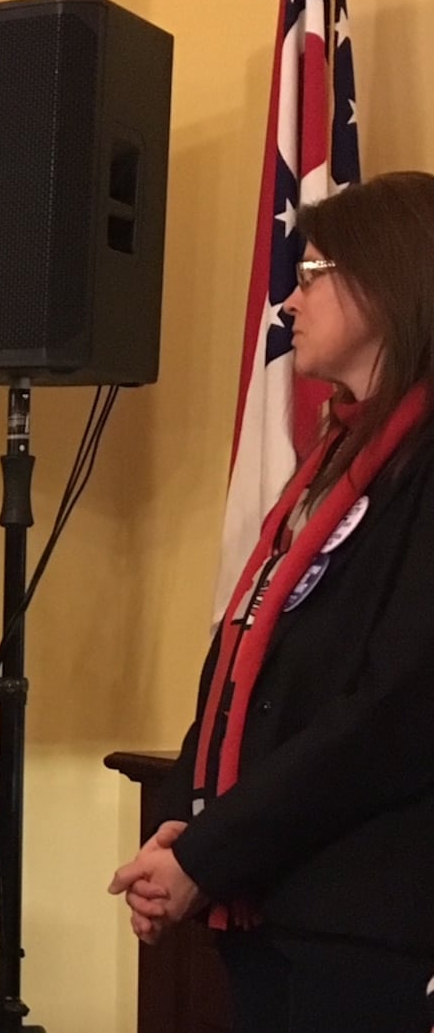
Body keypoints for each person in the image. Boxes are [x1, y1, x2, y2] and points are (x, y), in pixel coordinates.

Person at [109, 171, 434, 1033]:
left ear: (387, 278)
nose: (289, 300)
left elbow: (392, 709)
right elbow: (243, 657)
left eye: (314, 270)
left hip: (369, 916)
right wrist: (179, 822)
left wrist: (210, 854)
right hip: (273, 900)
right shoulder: (335, 454)